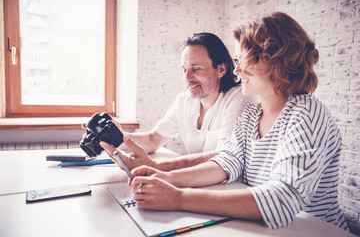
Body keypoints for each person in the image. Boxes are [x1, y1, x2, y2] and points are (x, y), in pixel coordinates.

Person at [106, 12, 348, 230]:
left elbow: (281, 199)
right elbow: (224, 163)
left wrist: (178, 197)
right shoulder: (253, 115)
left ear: (273, 62)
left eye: (242, 60)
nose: (236, 70)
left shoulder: (306, 113)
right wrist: (167, 178)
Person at [99, 32, 256, 170]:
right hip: (197, 184)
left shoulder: (239, 97)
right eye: (184, 70)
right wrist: (113, 136)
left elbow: (222, 157)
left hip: (229, 189)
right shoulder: (183, 101)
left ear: (221, 70)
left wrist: (157, 167)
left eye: (196, 69)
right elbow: (153, 140)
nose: (187, 78)